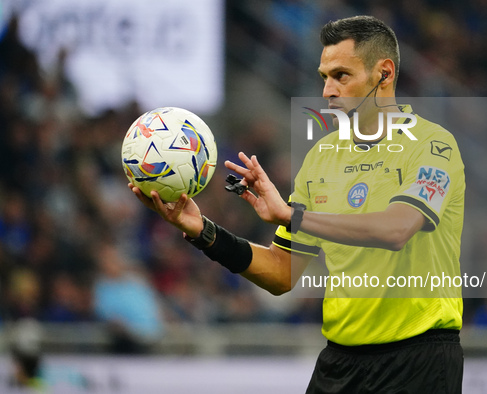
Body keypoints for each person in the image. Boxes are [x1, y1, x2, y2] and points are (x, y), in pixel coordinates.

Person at [130, 15, 465, 393]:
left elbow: (397, 229)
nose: (327, 91)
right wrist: (202, 231)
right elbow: (281, 273)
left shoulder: (433, 146)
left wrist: (295, 216)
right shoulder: (321, 159)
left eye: (341, 75)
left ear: (383, 74)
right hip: (340, 362)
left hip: (417, 361)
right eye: (324, 76)